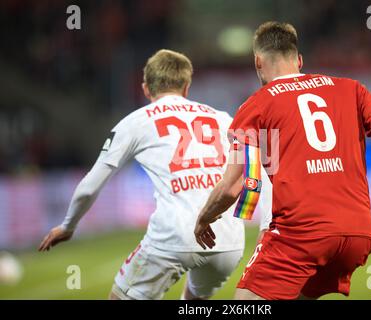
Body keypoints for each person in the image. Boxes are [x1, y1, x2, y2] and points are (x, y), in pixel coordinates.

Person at [194, 21, 371, 300]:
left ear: (258, 62)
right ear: (299, 60)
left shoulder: (255, 106)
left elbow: (233, 185)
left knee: (246, 302)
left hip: (301, 235)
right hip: (356, 236)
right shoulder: (350, 88)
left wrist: (204, 218)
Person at [38, 49, 271, 300]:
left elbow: (89, 186)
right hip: (227, 241)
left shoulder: (136, 122)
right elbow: (257, 171)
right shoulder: (223, 118)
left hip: (173, 236)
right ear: (186, 87)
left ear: (146, 89)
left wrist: (68, 226)